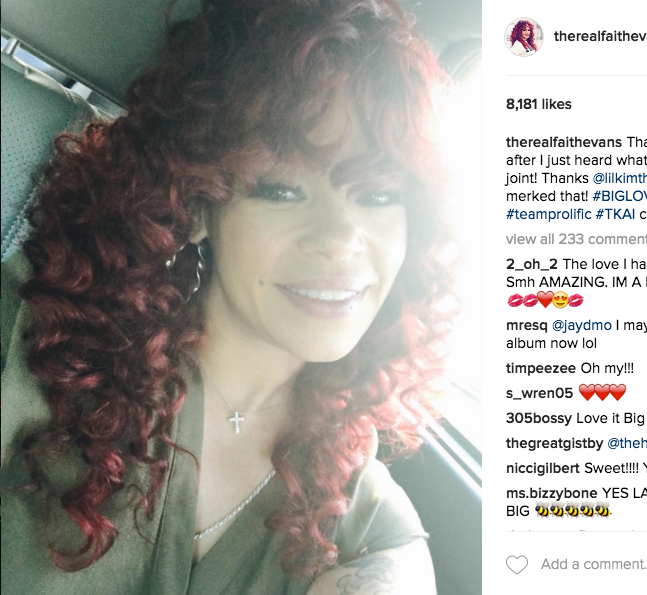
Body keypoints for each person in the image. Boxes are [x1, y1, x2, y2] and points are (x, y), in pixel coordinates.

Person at [0, 0, 458, 593]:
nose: (341, 239)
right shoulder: (36, 341)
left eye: (377, 195)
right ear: (197, 206)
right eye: (280, 190)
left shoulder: (364, 519)